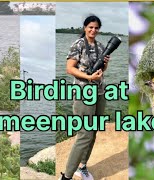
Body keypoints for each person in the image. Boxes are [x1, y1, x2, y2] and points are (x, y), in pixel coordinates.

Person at [59, 15, 110, 180]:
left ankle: (82, 167)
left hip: (100, 92)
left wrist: (105, 63)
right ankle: (66, 176)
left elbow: (102, 71)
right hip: (83, 92)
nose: (93, 30)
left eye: (96, 28)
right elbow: (69, 68)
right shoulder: (78, 45)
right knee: (85, 134)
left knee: (93, 131)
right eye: (90, 27)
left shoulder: (101, 46)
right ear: (85, 27)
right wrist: (88, 78)